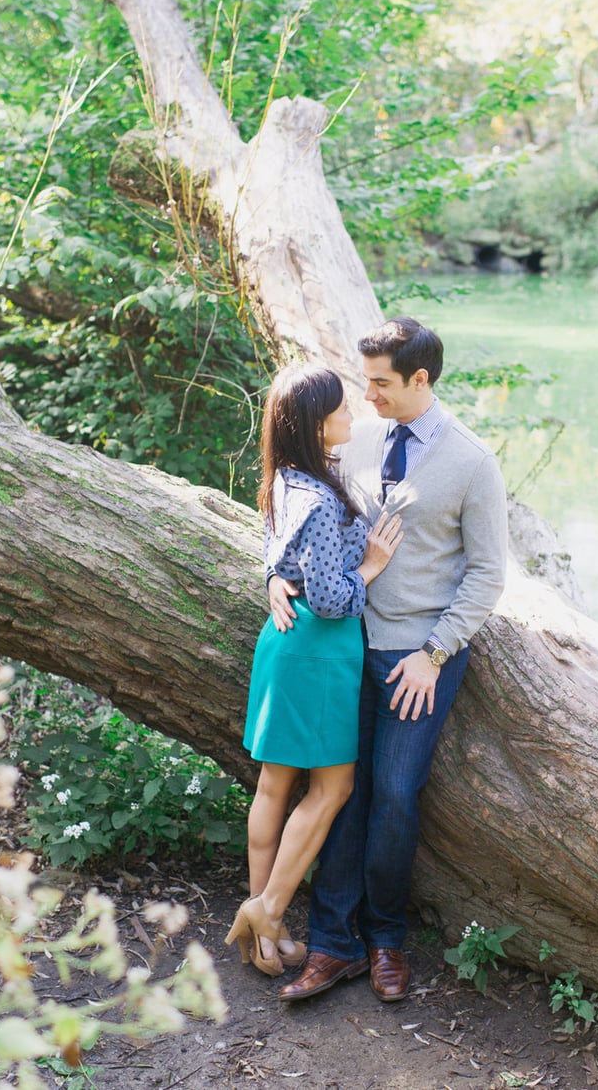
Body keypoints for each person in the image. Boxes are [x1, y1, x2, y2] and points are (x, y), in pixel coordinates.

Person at [270, 317, 508, 1003]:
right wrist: (273, 575)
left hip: (416, 654)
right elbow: (292, 502)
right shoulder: (358, 437)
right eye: (364, 380)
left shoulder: (471, 461)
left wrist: (435, 653)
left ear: (419, 380)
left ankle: (385, 940)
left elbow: (488, 574)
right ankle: (332, 945)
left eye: (379, 383)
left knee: (396, 798)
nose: (365, 394)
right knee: (338, 794)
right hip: (343, 646)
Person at [225, 363, 403, 977]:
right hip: (322, 649)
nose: (352, 415)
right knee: (333, 787)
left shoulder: (286, 479)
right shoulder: (322, 499)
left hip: (285, 642)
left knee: (276, 783)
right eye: (341, 410)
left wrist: (274, 576)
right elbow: (331, 597)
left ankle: (261, 936)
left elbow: (280, 551)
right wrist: (374, 566)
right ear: (316, 423)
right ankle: (268, 912)